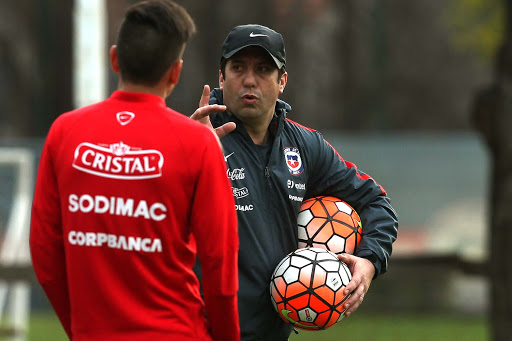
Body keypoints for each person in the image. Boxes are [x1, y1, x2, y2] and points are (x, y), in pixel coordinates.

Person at [29, 2, 240, 340]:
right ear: (175, 73)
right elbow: (221, 267)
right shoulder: (199, 144)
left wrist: (82, 329)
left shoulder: (64, 132)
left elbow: (45, 258)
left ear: (114, 59)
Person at [191, 24, 398, 341]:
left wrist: (369, 262)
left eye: (263, 69)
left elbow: (375, 203)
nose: (249, 79)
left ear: (282, 81)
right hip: (200, 332)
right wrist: (188, 155)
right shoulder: (192, 138)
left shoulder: (305, 146)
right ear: (221, 77)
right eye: (238, 68)